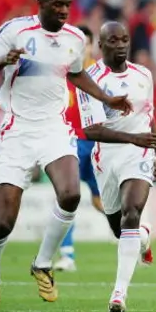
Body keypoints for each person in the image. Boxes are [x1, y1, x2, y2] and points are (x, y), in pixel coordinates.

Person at [0, 0, 132, 312]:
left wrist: (107, 98)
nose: (63, 10)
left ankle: (42, 263)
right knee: (3, 222)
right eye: (57, 4)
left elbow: (76, 75)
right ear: (40, 3)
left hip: (53, 129)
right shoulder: (15, 31)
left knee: (71, 193)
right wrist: (3, 61)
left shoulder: (75, 38)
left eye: (67, 5)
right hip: (16, 131)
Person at [79, 21, 156, 312]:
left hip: (139, 153)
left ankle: (118, 294)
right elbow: (91, 132)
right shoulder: (89, 79)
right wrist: (134, 137)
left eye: (125, 39)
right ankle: (142, 237)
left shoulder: (143, 74)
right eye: (113, 40)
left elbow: (149, 115)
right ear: (101, 46)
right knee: (121, 229)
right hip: (106, 157)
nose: (121, 45)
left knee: (132, 213)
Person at [52, 25, 104, 272]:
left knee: (99, 201)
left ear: (91, 45)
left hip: (93, 143)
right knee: (66, 196)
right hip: (69, 142)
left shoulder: (98, 72)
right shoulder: (61, 72)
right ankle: (68, 255)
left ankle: (134, 233)